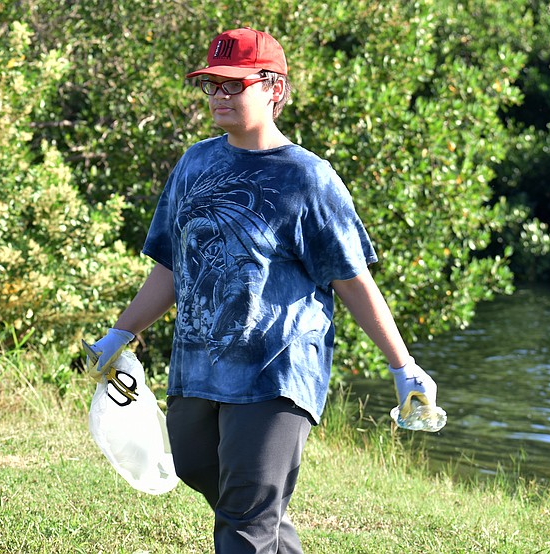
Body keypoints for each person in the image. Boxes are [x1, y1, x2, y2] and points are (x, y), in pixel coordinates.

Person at [87, 26, 440, 554]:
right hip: (197, 368)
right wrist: (121, 332)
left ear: (275, 88)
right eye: (212, 85)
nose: (219, 97)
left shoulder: (308, 179)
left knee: (246, 516)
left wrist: (402, 365)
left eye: (234, 84)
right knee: (203, 470)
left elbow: (350, 277)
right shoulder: (195, 164)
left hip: (276, 373)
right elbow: (170, 267)